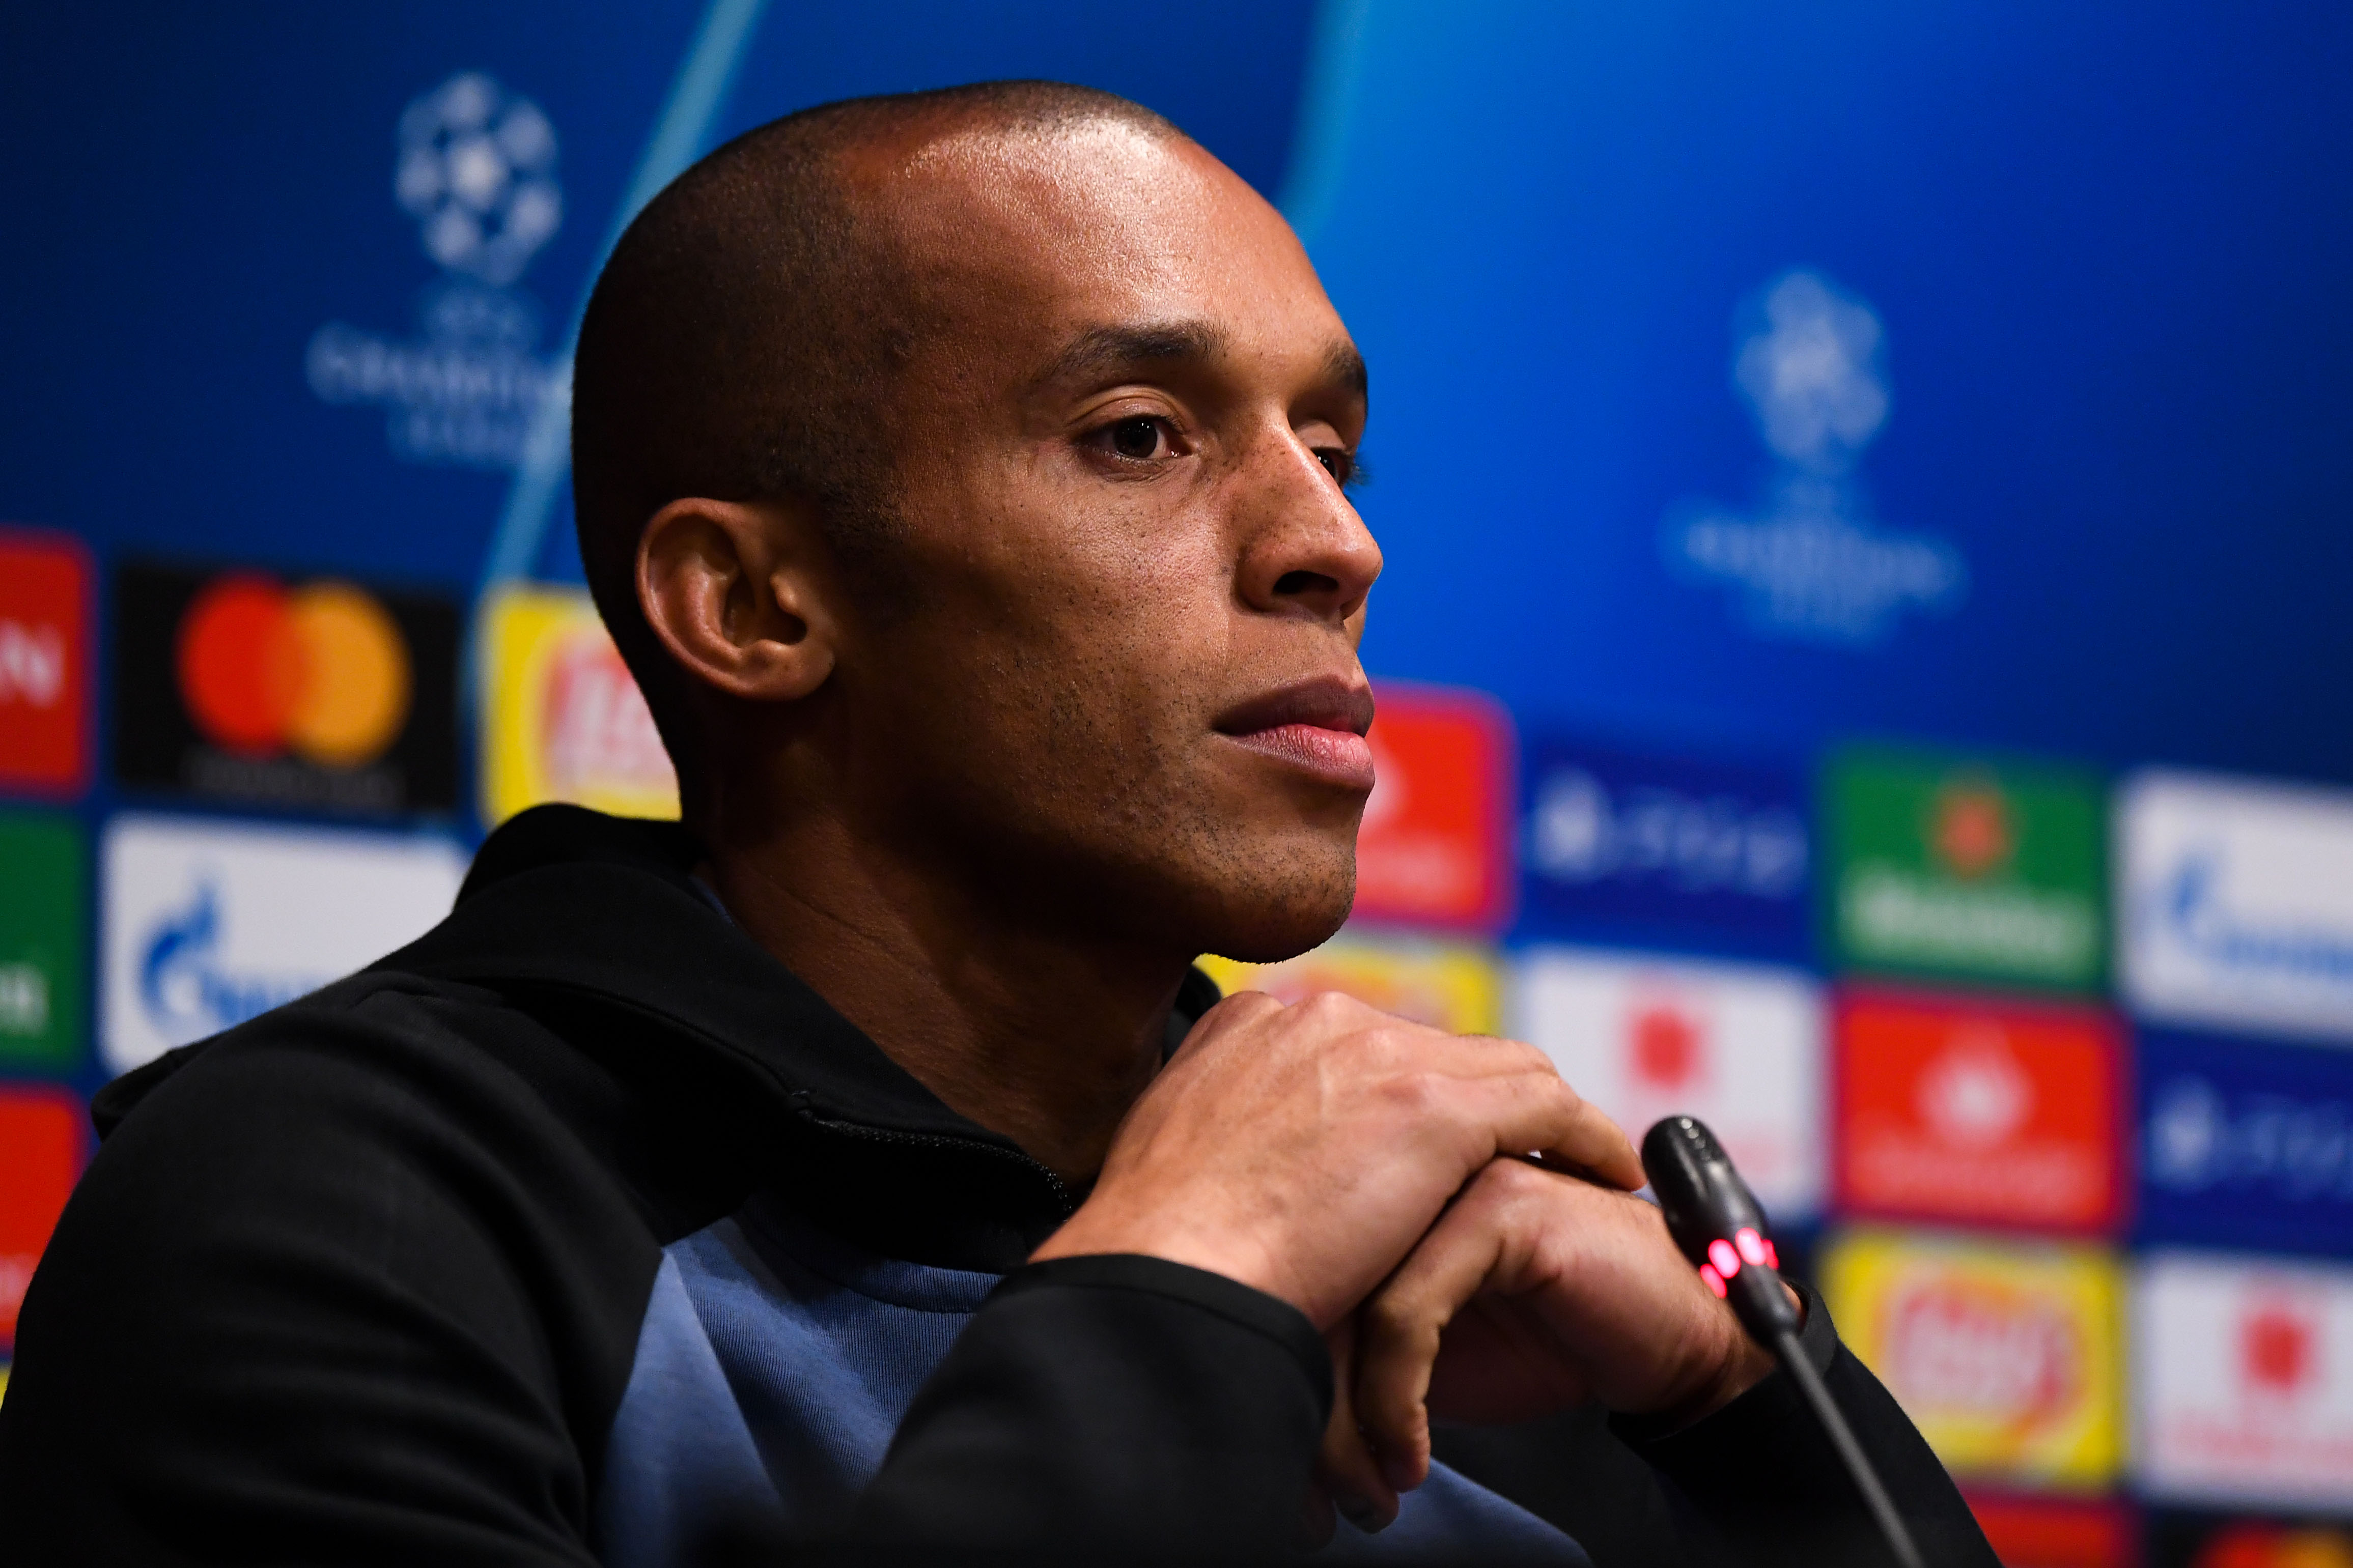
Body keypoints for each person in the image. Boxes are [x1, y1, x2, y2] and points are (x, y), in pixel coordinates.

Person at [0, 82, 1997, 1566]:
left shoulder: (1467, 1301)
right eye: (1141, 439)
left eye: (1335, 445)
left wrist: (1745, 1414)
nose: (1336, 544)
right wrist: (1190, 1273)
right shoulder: (335, 1217)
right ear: (759, 607)